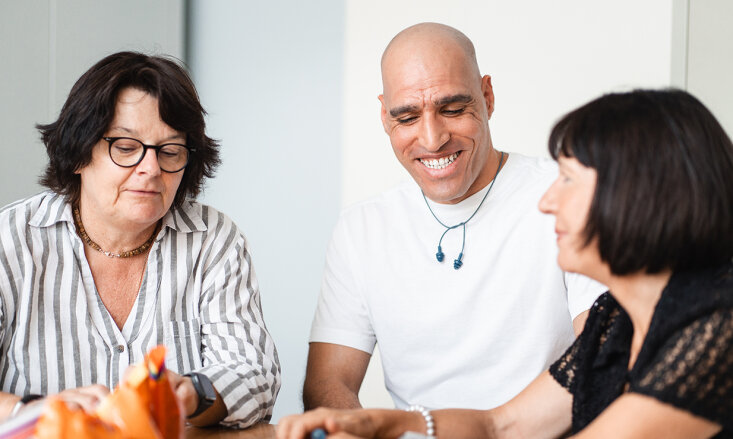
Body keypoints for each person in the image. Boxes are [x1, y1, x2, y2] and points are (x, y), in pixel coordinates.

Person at [278, 88, 733, 438]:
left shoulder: (718, 327)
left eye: (569, 181)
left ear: (642, 197)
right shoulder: (614, 322)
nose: (547, 201)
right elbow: (501, 426)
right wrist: (388, 424)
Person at [303, 22, 605, 411]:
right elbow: (329, 383)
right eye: (407, 118)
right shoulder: (360, 229)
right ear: (384, 116)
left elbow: (602, 363)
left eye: (453, 109)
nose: (432, 139)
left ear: (487, 97)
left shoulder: (566, 196)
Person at [0, 52, 280, 428]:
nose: (150, 169)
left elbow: (255, 376)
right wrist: (33, 411)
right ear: (79, 153)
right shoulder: (11, 239)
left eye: (169, 151)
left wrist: (194, 392)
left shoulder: (214, 241)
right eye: (127, 148)